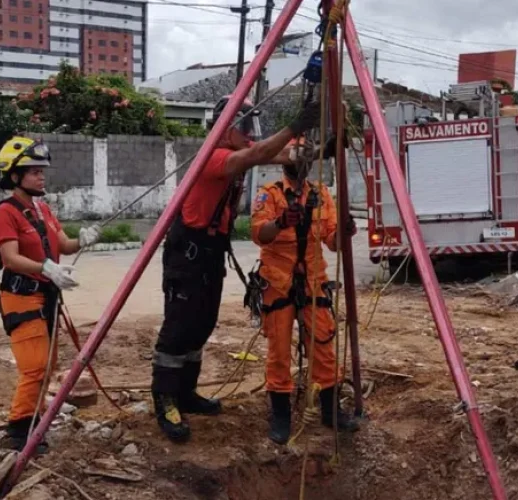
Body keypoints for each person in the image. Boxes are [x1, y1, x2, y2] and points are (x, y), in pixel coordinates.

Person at [150, 96, 322, 443]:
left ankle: (187, 393)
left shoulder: (239, 151)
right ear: (225, 128)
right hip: (188, 253)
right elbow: (257, 155)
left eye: (253, 127)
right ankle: (166, 399)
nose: (250, 134)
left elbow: (279, 154)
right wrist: (294, 126)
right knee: (179, 328)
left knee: (203, 323)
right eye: (244, 127)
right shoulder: (214, 156)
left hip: (211, 253)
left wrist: (313, 149)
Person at [0, 136, 100, 452]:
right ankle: (18, 431)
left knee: (48, 366)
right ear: (14, 176)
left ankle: (35, 420)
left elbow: (63, 244)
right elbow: (10, 258)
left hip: (47, 297)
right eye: (33, 171)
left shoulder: (42, 209)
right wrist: (47, 268)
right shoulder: (6, 213)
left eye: (42, 170)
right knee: (35, 366)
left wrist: (82, 240)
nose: (41, 176)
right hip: (22, 298)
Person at [251, 152, 360, 444]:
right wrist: (281, 222)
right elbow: (259, 233)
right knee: (279, 349)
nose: (299, 164)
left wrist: (345, 233)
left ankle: (329, 409)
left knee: (323, 344)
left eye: (304, 158)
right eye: (293, 157)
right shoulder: (269, 194)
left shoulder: (321, 194)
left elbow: (332, 241)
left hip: (313, 281)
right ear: (284, 163)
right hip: (278, 282)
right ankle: (281, 416)